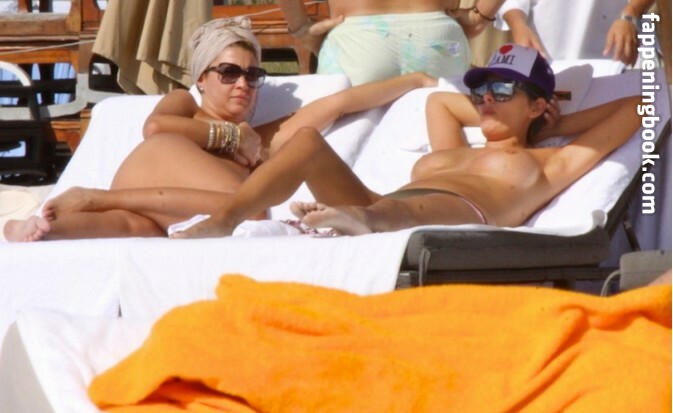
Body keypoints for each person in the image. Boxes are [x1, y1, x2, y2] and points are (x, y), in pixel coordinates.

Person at [2, 17, 437, 242]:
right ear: (202, 78)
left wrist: (417, 80)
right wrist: (231, 137)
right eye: (228, 72)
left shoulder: (268, 135)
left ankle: (39, 230)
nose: (242, 83)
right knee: (250, 208)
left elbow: (339, 103)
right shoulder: (185, 105)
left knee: (134, 229)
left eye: (253, 74)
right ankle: (95, 199)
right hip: (152, 167)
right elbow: (156, 127)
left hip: (158, 211)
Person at [164, 43, 638, 238]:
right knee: (306, 141)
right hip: (381, 204)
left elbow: (641, 104)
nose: (485, 100)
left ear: (536, 105)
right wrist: (507, 114)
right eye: (480, 91)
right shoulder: (453, 152)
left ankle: (356, 221)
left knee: (402, 210)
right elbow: (439, 103)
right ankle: (224, 221)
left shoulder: (551, 164)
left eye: (501, 90)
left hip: (438, 216)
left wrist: (551, 129)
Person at [278, 0, 510, 85]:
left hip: (358, 34)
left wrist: (300, 27)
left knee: (342, 150)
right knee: (441, 144)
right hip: (436, 33)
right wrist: (481, 15)